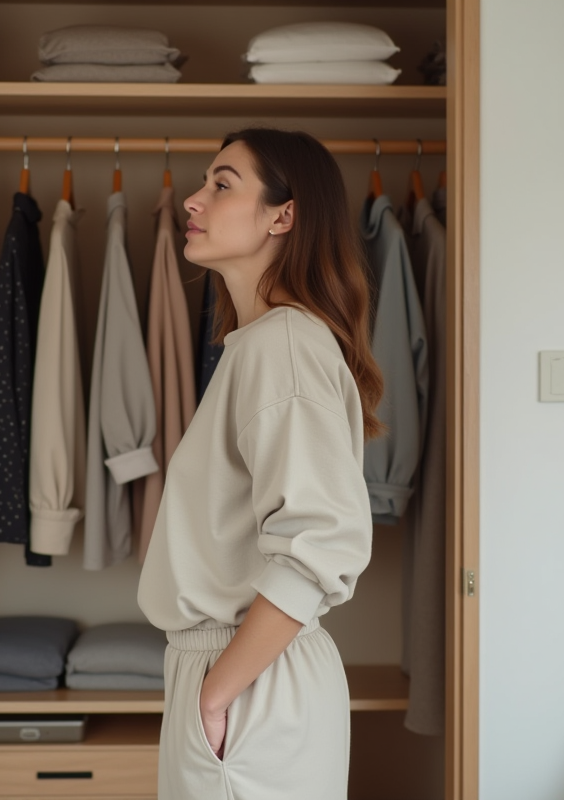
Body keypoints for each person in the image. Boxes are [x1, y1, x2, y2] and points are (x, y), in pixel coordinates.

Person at [137, 127, 385, 800]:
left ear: (283, 215)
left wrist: (216, 694)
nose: (194, 200)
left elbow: (320, 542)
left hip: (247, 686)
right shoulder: (259, 344)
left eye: (222, 184)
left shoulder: (284, 345)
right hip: (241, 678)